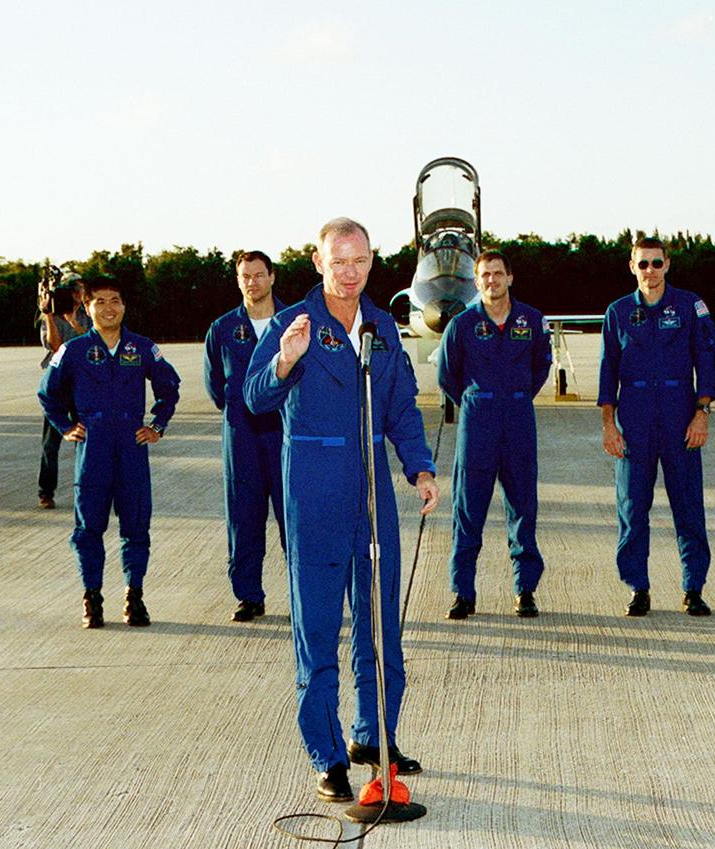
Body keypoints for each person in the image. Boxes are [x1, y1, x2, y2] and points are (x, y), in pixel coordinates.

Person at [243, 218, 439, 803]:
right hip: (316, 489)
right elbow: (254, 397)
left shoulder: (381, 326)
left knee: (381, 626)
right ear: (318, 261)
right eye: (338, 261)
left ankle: (374, 737)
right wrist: (283, 361)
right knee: (319, 628)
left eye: (359, 261)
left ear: (371, 261)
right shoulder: (291, 324)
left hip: (372, 490)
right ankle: (327, 756)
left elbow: (401, 404)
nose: (349, 272)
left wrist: (420, 468)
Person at [37, 278, 180, 629]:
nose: (108, 307)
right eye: (99, 301)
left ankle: (135, 596)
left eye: (114, 300)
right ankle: (92, 597)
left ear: (124, 305)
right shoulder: (73, 351)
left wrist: (157, 425)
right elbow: (47, 394)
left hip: (132, 448)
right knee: (88, 528)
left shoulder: (143, 348)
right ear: (87, 308)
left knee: (135, 528)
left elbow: (169, 386)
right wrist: (65, 427)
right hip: (93, 450)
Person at [598, 237, 715, 617]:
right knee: (633, 507)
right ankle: (638, 587)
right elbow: (607, 371)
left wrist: (702, 412)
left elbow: (706, 361)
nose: (650, 271)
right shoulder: (617, 312)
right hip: (634, 419)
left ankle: (694, 587)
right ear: (632, 267)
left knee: (688, 507)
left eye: (656, 263)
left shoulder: (689, 306)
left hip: (680, 417)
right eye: (643, 264)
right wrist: (608, 425)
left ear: (667, 265)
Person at [438, 250, 552, 620]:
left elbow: (541, 367)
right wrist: (476, 401)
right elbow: (447, 375)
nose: (491, 280)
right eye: (484, 275)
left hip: (518, 418)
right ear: (476, 281)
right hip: (478, 423)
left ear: (510, 278)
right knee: (467, 509)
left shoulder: (531, 320)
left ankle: (525, 590)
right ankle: (463, 592)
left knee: (523, 508)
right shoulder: (462, 325)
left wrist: (513, 398)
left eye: (497, 274)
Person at [203, 250, 287, 623]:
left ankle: (304, 594)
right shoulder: (222, 329)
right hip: (242, 439)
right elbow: (215, 388)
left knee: (295, 519)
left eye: (258, 275)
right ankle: (249, 595)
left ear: (272, 277)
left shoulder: (294, 322)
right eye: (244, 276)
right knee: (244, 519)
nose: (252, 282)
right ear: (238, 281)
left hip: (286, 435)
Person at [37, 274, 89, 509]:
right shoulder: (51, 315)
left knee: (86, 439)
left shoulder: (89, 315)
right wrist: (49, 315)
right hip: (57, 385)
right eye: (74, 289)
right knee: (50, 443)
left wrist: (75, 322)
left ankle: (88, 488)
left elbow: (93, 342)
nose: (78, 293)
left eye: (80, 288)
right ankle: (45, 492)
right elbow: (56, 346)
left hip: (82, 383)